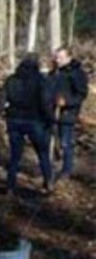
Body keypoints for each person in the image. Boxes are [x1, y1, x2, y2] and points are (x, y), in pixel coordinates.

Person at [0, 54, 53, 194]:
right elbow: (45, 102)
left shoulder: (11, 80)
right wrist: (50, 119)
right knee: (42, 152)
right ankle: (48, 183)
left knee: (15, 155)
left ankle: (10, 185)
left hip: (14, 120)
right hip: (35, 121)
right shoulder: (40, 81)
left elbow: (0, 100)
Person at [47, 46, 89, 180]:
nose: (57, 60)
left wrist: (67, 102)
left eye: (61, 58)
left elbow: (82, 94)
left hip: (67, 114)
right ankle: (50, 168)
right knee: (52, 141)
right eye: (56, 57)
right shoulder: (54, 72)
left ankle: (66, 170)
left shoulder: (76, 73)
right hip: (52, 112)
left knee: (66, 143)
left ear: (68, 58)